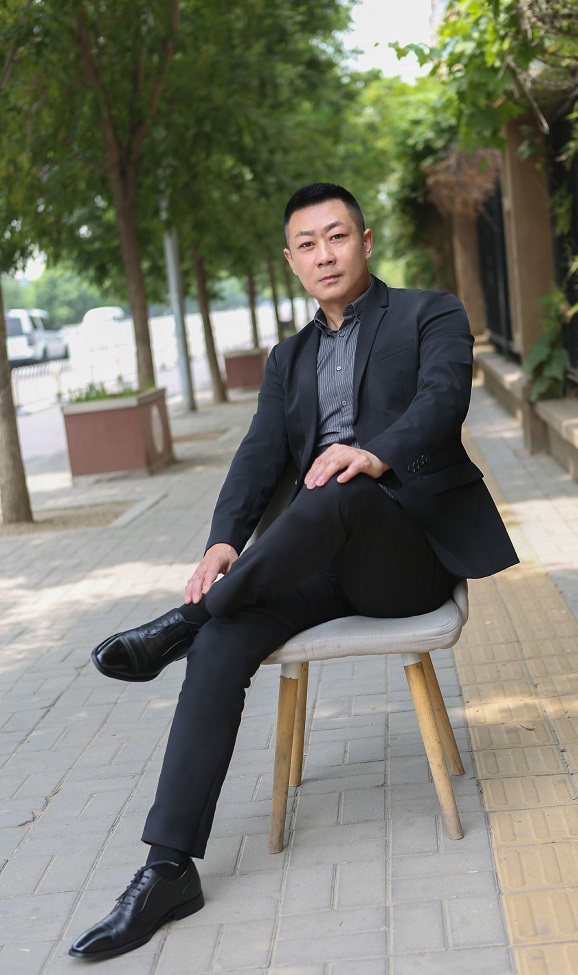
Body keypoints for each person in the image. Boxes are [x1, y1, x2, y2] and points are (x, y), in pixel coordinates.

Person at [69, 182, 518, 960]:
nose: (324, 254)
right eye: (308, 244)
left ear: (365, 242)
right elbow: (257, 456)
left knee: (338, 486)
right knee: (223, 641)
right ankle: (167, 869)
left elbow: (444, 400)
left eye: (337, 237)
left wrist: (371, 453)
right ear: (291, 260)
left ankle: (182, 621)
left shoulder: (429, 312)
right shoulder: (289, 358)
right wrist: (222, 541)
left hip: (405, 553)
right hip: (316, 557)